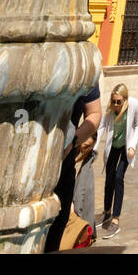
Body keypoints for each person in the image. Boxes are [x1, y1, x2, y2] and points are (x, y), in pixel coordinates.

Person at [44, 81, 101, 253]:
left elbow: (95, 113)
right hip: (23, 171)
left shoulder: (83, 63)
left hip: (62, 171)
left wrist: (73, 141)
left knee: (52, 241)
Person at [95, 83, 138, 238]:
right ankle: (106, 212)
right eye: (113, 101)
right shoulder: (110, 110)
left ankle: (115, 221)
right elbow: (101, 126)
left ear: (125, 100)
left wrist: (133, 145)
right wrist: (94, 147)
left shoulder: (134, 105)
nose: (115, 104)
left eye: (118, 102)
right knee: (108, 179)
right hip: (113, 146)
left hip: (125, 148)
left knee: (118, 178)